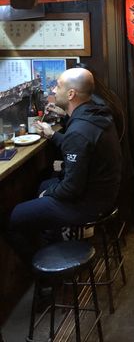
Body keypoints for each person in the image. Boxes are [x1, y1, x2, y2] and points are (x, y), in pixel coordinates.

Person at [7, 68, 122, 264]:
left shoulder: (79, 130)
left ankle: (44, 278)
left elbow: (70, 188)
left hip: (88, 204)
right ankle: (52, 246)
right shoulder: (96, 113)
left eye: (58, 86)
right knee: (43, 185)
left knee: (12, 218)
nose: (53, 89)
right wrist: (53, 135)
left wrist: (48, 194)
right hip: (104, 195)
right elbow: (81, 148)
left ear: (71, 94)